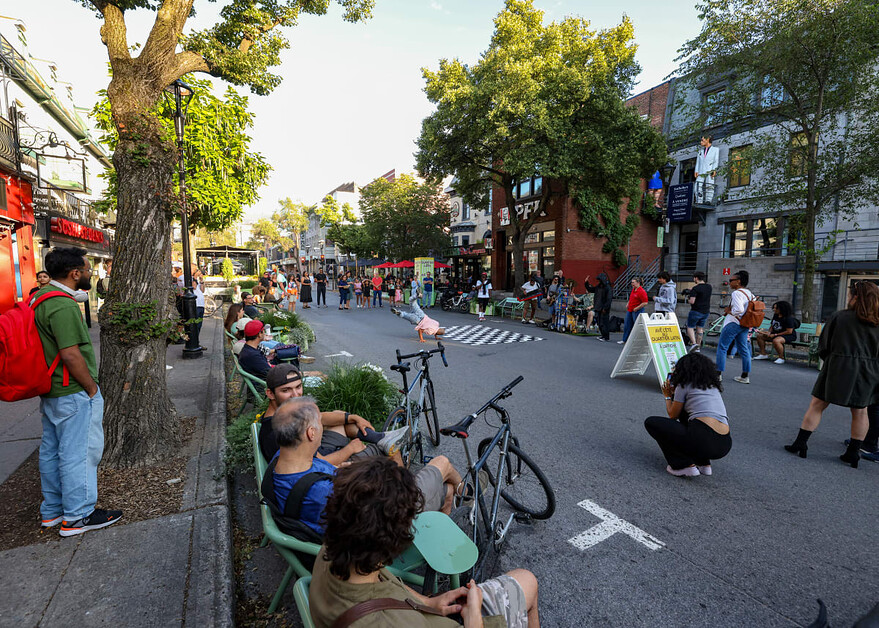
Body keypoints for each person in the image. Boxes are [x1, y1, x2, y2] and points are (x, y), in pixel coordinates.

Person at [310, 455, 541, 628]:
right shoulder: (387, 623)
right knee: (527, 580)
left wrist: (429, 603)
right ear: (396, 543)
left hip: (417, 611)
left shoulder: (337, 549)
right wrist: (474, 620)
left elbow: (385, 586)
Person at [268, 399, 463, 536]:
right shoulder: (323, 492)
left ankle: (454, 500)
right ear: (311, 433)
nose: (322, 428)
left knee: (447, 491)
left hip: (350, 517)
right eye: (320, 424)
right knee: (442, 463)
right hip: (388, 527)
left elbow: (319, 473)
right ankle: (468, 492)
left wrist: (344, 471)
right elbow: (377, 516)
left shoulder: (283, 458)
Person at [32, 247, 122, 536]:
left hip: (51, 390)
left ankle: (53, 511)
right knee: (79, 453)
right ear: (74, 273)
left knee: (52, 451)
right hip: (71, 390)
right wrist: (92, 388)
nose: (89, 274)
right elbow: (71, 354)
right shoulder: (63, 305)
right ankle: (78, 515)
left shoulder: (39, 298)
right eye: (86, 269)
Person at [784, 281, 879, 468]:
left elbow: (824, 346)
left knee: (817, 405)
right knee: (860, 411)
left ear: (855, 297)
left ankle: (800, 443)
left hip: (839, 366)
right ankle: (853, 453)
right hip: (869, 371)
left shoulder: (840, 317)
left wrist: (833, 359)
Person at [256, 365, 409, 465]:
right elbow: (318, 464)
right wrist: (350, 448)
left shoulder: (284, 414)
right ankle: (408, 497)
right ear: (270, 393)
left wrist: (352, 417)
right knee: (392, 452)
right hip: (327, 468)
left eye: (298, 387)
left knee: (340, 416)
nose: (296, 395)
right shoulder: (277, 433)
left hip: (317, 453)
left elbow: (320, 416)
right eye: (286, 390)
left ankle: (381, 438)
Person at [644, 352, 732, 477]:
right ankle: (704, 463)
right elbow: (684, 415)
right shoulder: (712, 386)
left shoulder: (684, 385)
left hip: (703, 438)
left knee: (652, 423)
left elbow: (673, 415)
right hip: (724, 444)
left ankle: (682, 465)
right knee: (689, 418)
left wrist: (668, 395)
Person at [715, 270, 754, 385]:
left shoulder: (736, 293)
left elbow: (739, 310)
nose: (729, 282)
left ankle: (718, 374)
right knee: (744, 349)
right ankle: (745, 376)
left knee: (722, 348)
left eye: (731, 280)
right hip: (744, 324)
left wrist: (729, 311)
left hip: (734, 323)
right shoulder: (749, 293)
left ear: (738, 281)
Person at [685, 272, 712, 351]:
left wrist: (688, 298)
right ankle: (698, 345)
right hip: (706, 311)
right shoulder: (709, 287)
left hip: (696, 311)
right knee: (700, 328)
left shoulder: (695, 289)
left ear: (696, 278)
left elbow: (692, 301)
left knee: (690, 327)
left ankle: (694, 344)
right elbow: (702, 293)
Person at [620, 277, 649, 344]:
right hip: (630, 309)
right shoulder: (633, 290)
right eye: (631, 282)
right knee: (627, 325)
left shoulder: (641, 291)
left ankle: (636, 340)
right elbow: (631, 298)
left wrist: (637, 308)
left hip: (637, 310)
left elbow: (645, 302)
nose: (632, 283)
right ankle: (625, 339)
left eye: (633, 282)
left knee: (636, 326)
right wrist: (628, 303)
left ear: (638, 283)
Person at [694, 135, 719, 205]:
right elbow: (698, 162)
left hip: (709, 170)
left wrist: (714, 170)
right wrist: (696, 170)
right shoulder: (700, 151)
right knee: (697, 186)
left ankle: (708, 200)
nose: (701, 142)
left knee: (710, 185)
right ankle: (699, 200)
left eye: (702, 140)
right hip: (701, 171)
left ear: (707, 139)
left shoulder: (715, 150)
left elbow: (715, 161)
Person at [589, 273, 612, 342]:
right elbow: (591, 289)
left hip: (603, 308)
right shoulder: (599, 287)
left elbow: (609, 299)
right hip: (598, 307)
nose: (599, 281)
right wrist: (586, 283)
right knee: (599, 322)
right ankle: (603, 335)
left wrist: (605, 308)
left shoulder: (607, 288)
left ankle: (606, 336)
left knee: (604, 322)